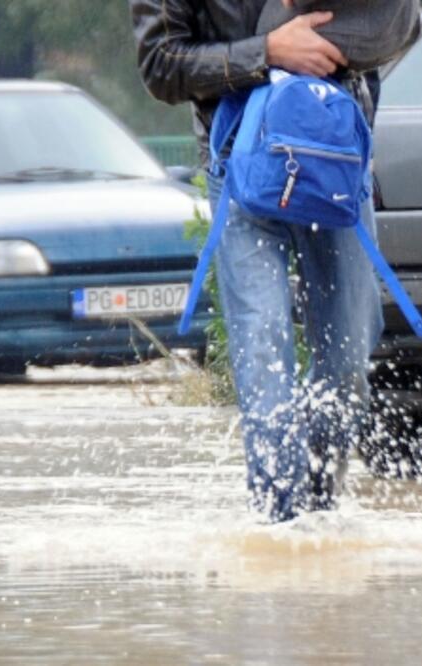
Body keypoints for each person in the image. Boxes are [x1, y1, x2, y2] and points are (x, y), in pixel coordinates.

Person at [131, 0, 384, 523]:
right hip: (239, 166)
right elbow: (160, 65)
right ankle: (279, 522)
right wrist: (266, 52)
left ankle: (320, 507)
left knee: (348, 364)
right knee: (263, 348)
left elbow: (396, 25)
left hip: (334, 163)